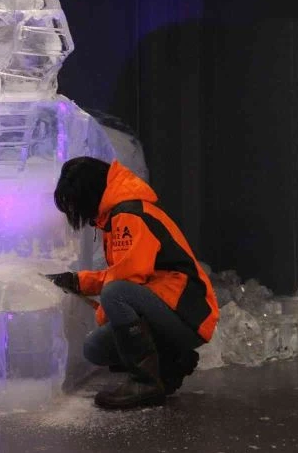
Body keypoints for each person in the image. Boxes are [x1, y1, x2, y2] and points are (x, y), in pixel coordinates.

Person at [45, 157, 219, 410]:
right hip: (168, 309)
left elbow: (126, 280)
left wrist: (106, 309)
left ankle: (145, 381)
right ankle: (171, 364)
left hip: (189, 316)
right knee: (95, 349)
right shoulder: (118, 215)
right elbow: (124, 273)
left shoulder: (130, 215)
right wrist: (77, 281)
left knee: (115, 294)